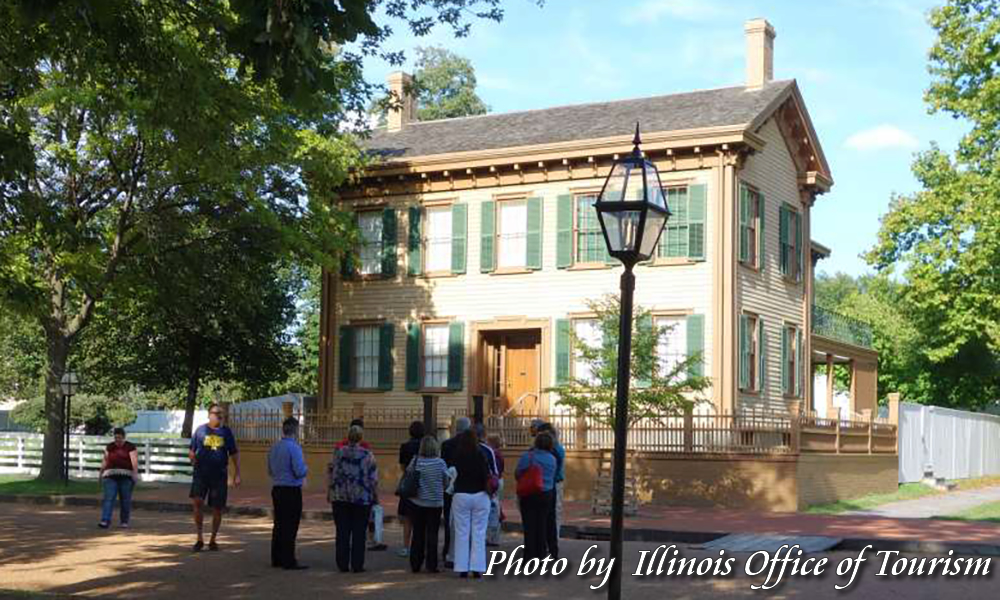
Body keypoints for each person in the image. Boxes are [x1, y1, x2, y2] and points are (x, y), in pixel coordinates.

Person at [189, 404, 240, 552]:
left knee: (217, 507)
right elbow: (192, 449)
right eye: (216, 413)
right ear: (209, 414)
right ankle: (199, 538)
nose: (219, 416)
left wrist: (237, 473)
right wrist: (192, 459)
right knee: (197, 501)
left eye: (221, 414)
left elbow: (234, 453)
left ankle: (213, 539)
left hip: (219, 475)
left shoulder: (226, 432)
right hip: (201, 474)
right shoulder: (200, 430)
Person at [329, 425, 378, 573]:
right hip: (361, 498)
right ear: (361, 438)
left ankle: (342, 563)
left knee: (342, 531)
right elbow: (373, 479)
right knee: (359, 532)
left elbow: (333, 474)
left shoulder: (339, 452)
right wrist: (374, 496)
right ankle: (357, 564)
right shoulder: (367, 455)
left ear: (348, 436)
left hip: (340, 496)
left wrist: (330, 492)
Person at [268, 417, 308, 570]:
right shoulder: (294, 448)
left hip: (277, 488)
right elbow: (299, 471)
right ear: (296, 430)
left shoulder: (274, 447)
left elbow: (270, 470)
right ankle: (288, 559)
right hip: (291, 489)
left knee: (279, 523)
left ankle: (277, 557)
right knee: (290, 525)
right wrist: (306, 469)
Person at [450, 429, 491, 578]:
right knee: (479, 532)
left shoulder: (456, 455)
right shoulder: (481, 454)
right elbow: (486, 475)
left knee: (461, 532)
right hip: (480, 495)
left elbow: (452, 475)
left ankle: (462, 567)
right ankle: (477, 568)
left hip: (461, 494)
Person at [408, 435, 448, 573]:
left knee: (417, 532)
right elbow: (446, 482)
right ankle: (432, 564)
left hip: (417, 501)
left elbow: (409, 475)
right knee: (432, 533)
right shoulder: (440, 463)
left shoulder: (415, 461)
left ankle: (415, 563)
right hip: (435, 503)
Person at [515, 431, 557, 561]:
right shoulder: (552, 459)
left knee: (529, 525)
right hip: (546, 493)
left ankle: (529, 555)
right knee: (542, 524)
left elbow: (518, 472)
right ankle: (541, 554)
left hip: (529, 493)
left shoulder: (528, 456)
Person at [439, 416, 471, 567]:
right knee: (466, 523)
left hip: (450, 487)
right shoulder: (472, 445)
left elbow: (444, 466)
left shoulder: (446, 445)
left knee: (449, 520)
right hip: (466, 487)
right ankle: (464, 552)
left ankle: (448, 549)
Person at [98, 427, 138, 529]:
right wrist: (101, 473)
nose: (117, 440)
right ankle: (105, 520)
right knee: (109, 498)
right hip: (110, 475)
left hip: (126, 476)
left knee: (125, 499)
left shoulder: (130, 447)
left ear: (124, 437)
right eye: (116, 438)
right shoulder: (110, 447)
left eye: (119, 438)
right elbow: (105, 460)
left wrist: (135, 474)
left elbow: (134, 461)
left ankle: (124, 521)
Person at [537, 422, 565, 559]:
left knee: (551, 515)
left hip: (551, 484)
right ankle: (550, 542)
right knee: (551, 515)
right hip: (551, 484)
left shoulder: (555, 450)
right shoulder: (556, 449)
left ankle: (551, 542)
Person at [397, 420, 425, 558]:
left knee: (407, 518)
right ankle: (420, 546)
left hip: (409, 483)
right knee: (421, 517)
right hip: (423, 483)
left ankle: (405, 546)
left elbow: (402, 466)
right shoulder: (424, 446)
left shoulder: (405, 446)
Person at [485, 433, 506, 546]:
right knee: (496, 508)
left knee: (493, 509)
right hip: (498, 481)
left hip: (494, 482)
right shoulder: (498, 454)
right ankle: (493, 537)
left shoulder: (493, 454)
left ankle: (493, 537)